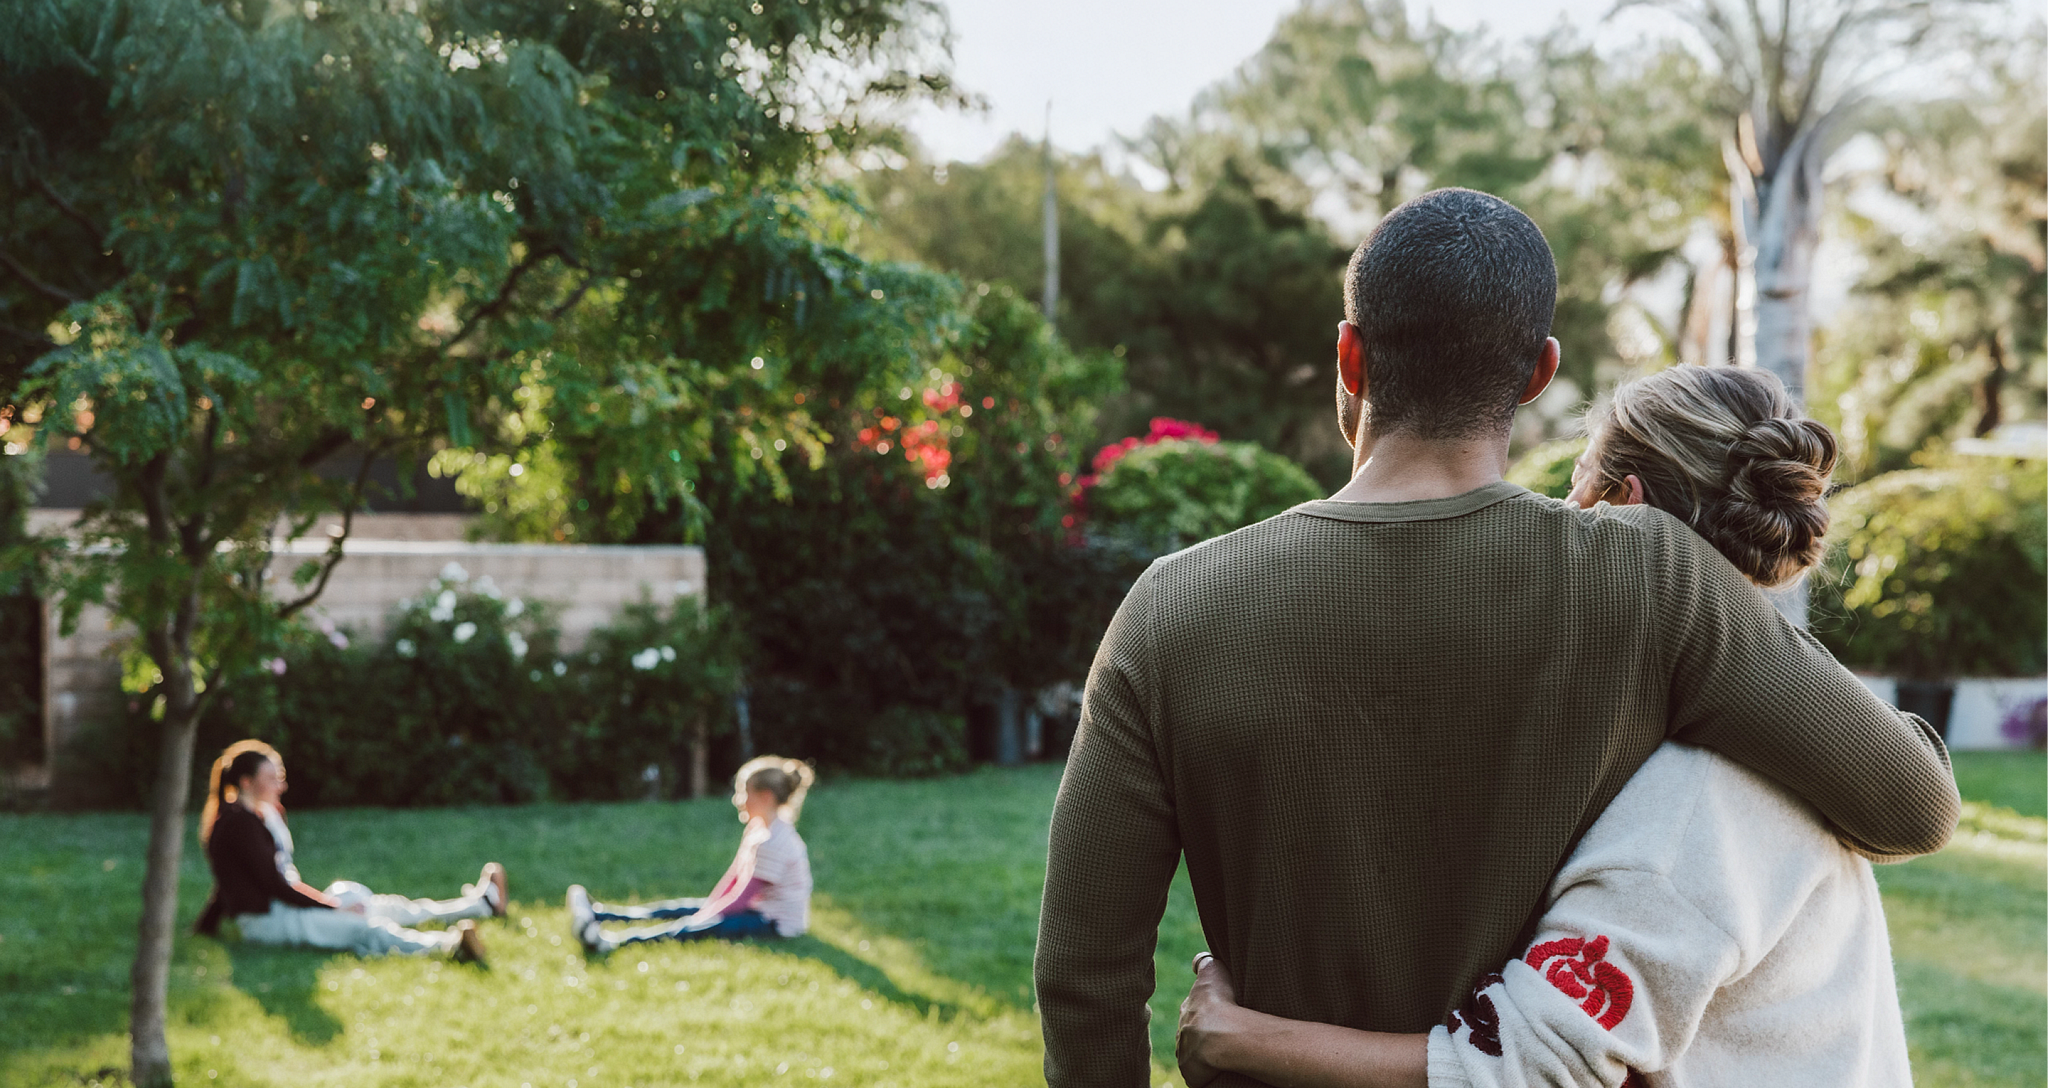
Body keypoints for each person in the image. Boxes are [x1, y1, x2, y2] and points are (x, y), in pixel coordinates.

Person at [1032, 187, 1959, 1088]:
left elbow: (1085, 975)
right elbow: (1914, 804)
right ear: (1538, 374)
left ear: (1350, 357)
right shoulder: (1645, 577)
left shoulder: (1172, 607)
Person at [1174, 365, 1911, 1087]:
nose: (1556, 511)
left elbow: (1521, 1067)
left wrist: (1241, 1041)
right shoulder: (1786, 742)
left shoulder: (1696, 807)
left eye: (1573, 485)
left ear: (1624, 507)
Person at [193, 740, 502, 962]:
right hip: (269, 920)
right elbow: (272, 884)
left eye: (280, 777)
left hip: (286, 907)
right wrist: (330, 907)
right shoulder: (237, 825)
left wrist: (204, 927)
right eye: (272, 779)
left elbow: (229, 880)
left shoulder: (260, 814)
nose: (281, 786)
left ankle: (477, 906)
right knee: (362, 925)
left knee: (365, 899)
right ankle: (450, 946)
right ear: (247, 782)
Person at [567, 756, 814, 953]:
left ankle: (612, 942)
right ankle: (599, 913)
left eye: (744, 792)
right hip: (757, 908)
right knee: (681, 907)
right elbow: (734, 877)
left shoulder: (775, 841)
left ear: (766, 797)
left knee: (697, 926)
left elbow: (743, 896)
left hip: (773, 922)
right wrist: (710, 905)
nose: (738, 800)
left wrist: (706, 915)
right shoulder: (758, 830)